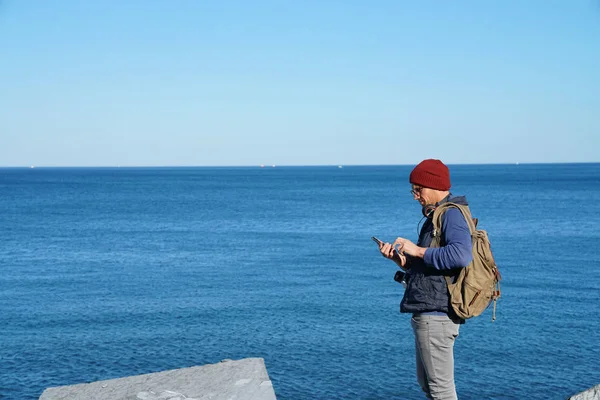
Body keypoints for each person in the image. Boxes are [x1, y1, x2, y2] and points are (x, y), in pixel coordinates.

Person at [378, 159, 473, 400]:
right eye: (413, 190)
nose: (415, 196)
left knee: (441, 391)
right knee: (429, 386)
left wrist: (417, 250)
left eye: (418, 190)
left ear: (434, 186)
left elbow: (461, 255)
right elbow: (433, 262)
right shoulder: (437, 215)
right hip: (429, 312)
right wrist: (402, 261)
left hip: (437, 315)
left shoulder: (451, 214)